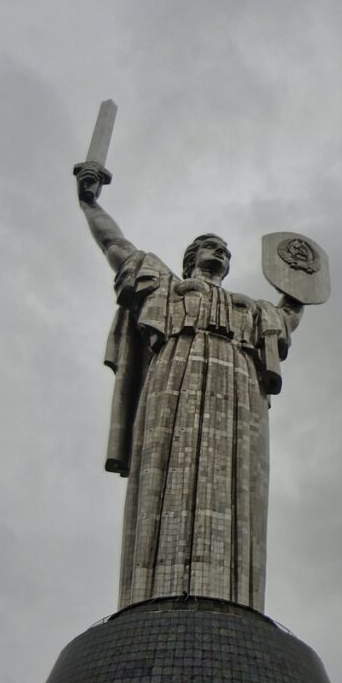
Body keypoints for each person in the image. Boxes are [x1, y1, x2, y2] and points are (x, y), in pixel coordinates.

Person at [77, 161, 303, 612]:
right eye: (210, 246)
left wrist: (300, 282)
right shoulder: (166, 285)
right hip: (176, 371)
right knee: (167, 463)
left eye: (224, 250)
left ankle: (232, 594)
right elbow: (116, 246)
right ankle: (154, 590)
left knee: (237, 474)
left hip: (239, 383)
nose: (219, 252)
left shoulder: (251, 308)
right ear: (191, 256)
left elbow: (289, 315)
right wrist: (90, 202)